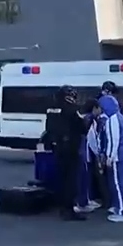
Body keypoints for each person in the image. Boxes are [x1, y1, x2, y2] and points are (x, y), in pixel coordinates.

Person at [41, 85, 90, 220]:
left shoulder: (52, 109)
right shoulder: (72, 109)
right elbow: (83, 128)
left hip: (58, 148)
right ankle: (69, 210)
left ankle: (63, 208)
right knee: (71, 181)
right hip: (71, 149)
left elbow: (49, 129)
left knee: (62, 179)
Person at [99, 91, 123, 222]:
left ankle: (122, 211)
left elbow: (113, 140)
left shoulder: (112, 120)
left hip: (119, 157)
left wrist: (110, 157)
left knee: (119, 184)